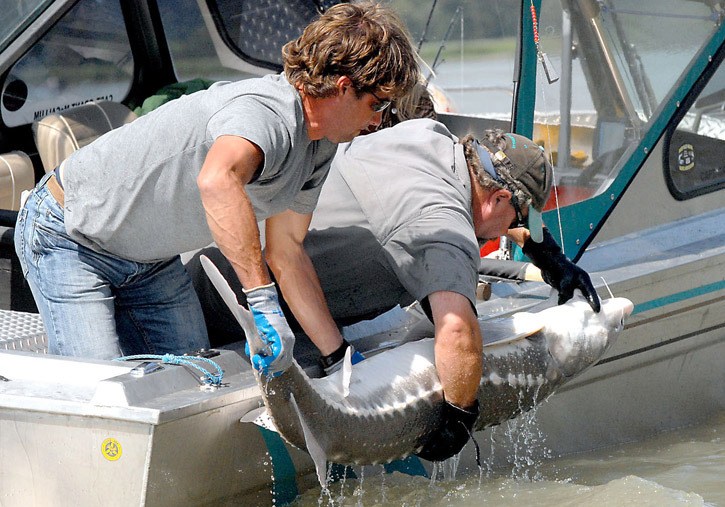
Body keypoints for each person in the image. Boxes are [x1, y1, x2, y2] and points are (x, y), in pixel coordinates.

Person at [14, 1, 419, 361]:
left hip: (151, 260)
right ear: (344, 88)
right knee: (100, 396)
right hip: (70, 236)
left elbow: (287, 252)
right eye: (377, 104)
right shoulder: (266, 113)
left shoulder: (321, 144)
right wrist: (263, 303)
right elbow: (217, 180)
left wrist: (337, 357)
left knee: (201, 380)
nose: (379, 121)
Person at [187, 117, 601, 461]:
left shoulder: (428, 138)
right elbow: (457, 332)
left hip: (207, 269)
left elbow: (477, 204)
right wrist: (460, 413)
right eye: (522, 213)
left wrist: (545, 253)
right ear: (497, 198)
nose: (517, 225)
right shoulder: (443, 226)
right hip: (228, 314)